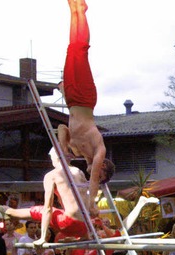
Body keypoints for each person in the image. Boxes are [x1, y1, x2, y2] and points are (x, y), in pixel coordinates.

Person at [57, 0, 114, 214]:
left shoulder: (78, 150)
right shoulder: (99, 149)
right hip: (84, 98)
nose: (95, 175)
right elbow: (92, 183)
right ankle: (80, 9)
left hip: (72, 99)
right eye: (100, 176)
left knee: (72, 49)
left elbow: (63, 129)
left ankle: (74, 10)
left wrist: (64, 149)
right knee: (80, 50)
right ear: (104, 168)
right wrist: (92, 203)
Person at [0, 148, 95, 245]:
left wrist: (43, 238)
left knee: (41, 210)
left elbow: (47, 208)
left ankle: (11, 212)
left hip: (69, 224)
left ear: (55, 158)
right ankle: (84, 237)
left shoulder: (52, 175)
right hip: (86, 226)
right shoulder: (79, 172)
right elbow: (86, 199)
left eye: (51, 157)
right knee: (68, 210)